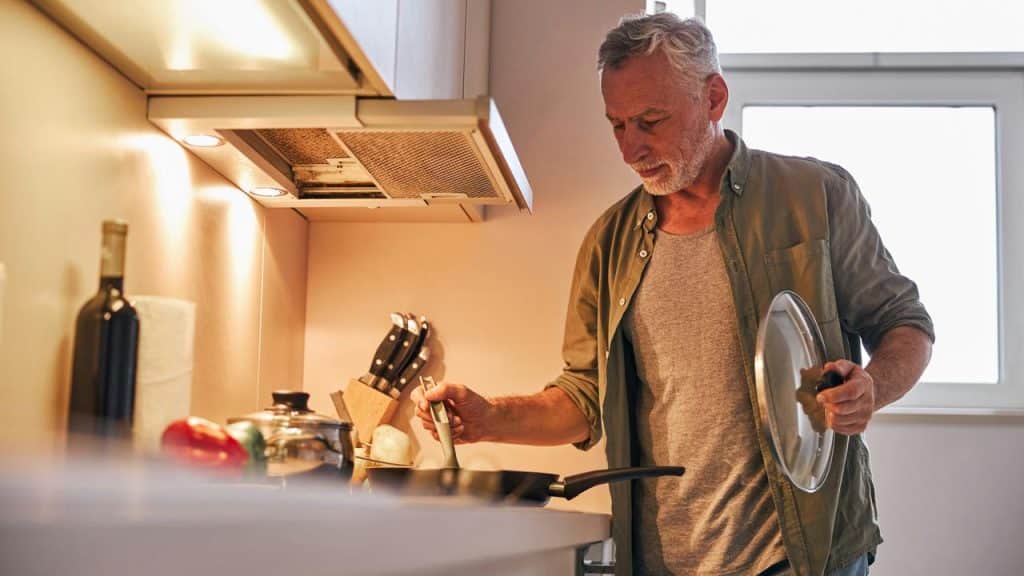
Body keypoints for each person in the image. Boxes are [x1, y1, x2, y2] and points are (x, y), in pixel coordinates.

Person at [412, 12, 934, 576]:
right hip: (662, 561)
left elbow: (904, 323)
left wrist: (871, 388)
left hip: (802, 553)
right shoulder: (608, 243)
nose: (631, 148)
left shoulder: (815, 196)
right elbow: (585, 399)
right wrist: (489, 417)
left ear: (713, 98)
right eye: (616, 125)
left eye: (650, 120)